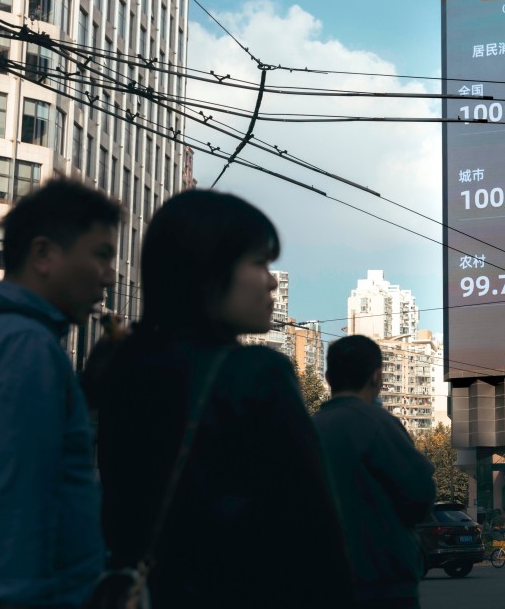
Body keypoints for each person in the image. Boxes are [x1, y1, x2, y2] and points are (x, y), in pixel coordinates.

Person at [95, 190, 351, 608]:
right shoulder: (256, 374)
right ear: (209, 270)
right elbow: (312, 530)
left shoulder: (120, 364)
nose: (271, 280)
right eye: (259, 263)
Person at [0, 179, 117, 608]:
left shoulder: (10, 334)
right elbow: (15, 504)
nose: (110, 275)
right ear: (43, 255)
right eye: (101, 254)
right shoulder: (28, 346)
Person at [312, 335, 436, 609]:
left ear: (329, 377)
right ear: (378, 377)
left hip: (321, 580)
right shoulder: (379, 425)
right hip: (383, 585)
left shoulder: (308, 430)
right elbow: (420, 496)